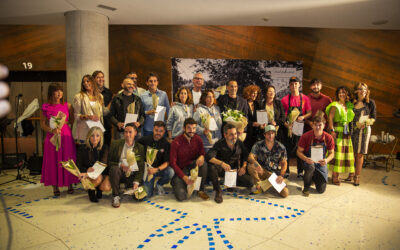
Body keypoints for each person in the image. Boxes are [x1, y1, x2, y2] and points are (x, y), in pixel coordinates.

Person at [40, 83, 78, 196]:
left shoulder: (68, 105)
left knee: (68, 159)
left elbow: (71, 120)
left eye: (61, 91)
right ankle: (54, 186)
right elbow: (42, 124)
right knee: (53, 161)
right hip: (52, 137)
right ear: (51, 93)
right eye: (56, 91)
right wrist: (52, 130)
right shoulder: (45, 106)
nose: (59, 93)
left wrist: (62, 125)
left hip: (65, 135)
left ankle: (70, 183)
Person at [206, 123, 253, 203]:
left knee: (250, 182)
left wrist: (243, 167)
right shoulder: (219, 143)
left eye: (235, 134)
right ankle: (218, 191)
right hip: (221, 170)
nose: (234, 136)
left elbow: (246, 155)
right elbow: (208, 156)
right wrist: (222, 163)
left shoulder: (239, 143)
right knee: (212, 166)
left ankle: (228, 183)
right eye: (231, 134)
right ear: (225, 135)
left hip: (233, 171)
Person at [170, 118, 209, 201]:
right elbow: (172, 163)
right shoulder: (176, 142)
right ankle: (176, 183)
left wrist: (201, 156)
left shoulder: (198, 139)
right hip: (181, 171)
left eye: (194, 128)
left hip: (193, 168)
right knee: (182, 197)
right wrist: (184, 177)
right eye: (189, 128)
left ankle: (200, 189)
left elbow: (202, 153)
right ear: (184, 128)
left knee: (204, 163)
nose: (192, 131)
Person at [108, 123, 145, 208]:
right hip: (119, 173)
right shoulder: (115, 144)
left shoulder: (140, 148)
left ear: (135, 133)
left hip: (132, 175)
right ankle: (116, 196)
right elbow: (110, 162)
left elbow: (141, 167)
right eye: (125, 132)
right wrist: (121, 165)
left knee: (138, 197)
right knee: (114, 169)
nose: (127, 135)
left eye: (130, 132)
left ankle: (129, 187)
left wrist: (136, 182)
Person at [281, 76, 312, 178]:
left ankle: (300, 171)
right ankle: (287, 170)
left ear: (299, 85)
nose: (294, 86)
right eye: (291, 84)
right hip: (288, 127)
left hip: (300, 127)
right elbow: (283, 115)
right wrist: (288, 124)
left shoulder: (305, 98)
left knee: (300, 148)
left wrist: (303, 116)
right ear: (289, 86)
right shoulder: (285, 99)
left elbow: (310, 113)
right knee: (287, 148)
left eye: (296, 84)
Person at [297, 114, 335, 196]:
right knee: (311, 166)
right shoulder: (306, 136)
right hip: (308, 162)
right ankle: (306, 186)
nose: (317, 127)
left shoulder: (328, 138)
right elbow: (299, 152)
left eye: (320, 125)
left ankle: (312, 178)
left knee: (321, 190)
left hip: (321, 163)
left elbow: (332, 153)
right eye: (315, 125)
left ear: (324, 125)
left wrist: (326, 160)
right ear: (312, 125)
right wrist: (306, 159)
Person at [247, 125, 289, 198]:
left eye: (273, 133)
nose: (271, 135)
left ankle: (266, 184)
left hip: (272, 174)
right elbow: (250, 157)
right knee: (251, 166)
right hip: (261, 171)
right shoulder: (258, 144)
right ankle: (259, 184)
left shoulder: (280, 147)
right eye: (268, 133)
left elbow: (284, 162)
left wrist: (281, 176)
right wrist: (256, 163)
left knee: (285, 193)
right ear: (264, 135)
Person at [326, 86, 355, 185]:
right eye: (340, 92)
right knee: (337, 154)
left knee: (343, 155)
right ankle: (335, 176)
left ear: (347, 94)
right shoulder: (335, 105)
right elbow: (330, 118)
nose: (342, 94)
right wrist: (332, 130)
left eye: (344, 92)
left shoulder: (349, 105)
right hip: (337, 131)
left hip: (346, 133)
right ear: (337, 94)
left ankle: (341, 175)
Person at [348, 82, 376, 186]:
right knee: (352, 153)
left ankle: (357, 177)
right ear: (356, 91)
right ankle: (351, 174)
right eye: (360, 89)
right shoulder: (351, 102)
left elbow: (373, 117)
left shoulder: (370, 103)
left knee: (359, 154)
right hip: (352, 130)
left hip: (363, 132)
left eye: (364, 89)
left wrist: (367, 122)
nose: (362, 91)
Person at [138, 121, 174, 197]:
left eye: (161, 131)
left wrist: (156, 169)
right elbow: (135, 150)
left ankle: (159, 184)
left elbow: (167, 162)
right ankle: (142, 183)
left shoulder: (166, 144)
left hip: (158, 170)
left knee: (171, 172)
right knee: (147, 194)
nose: (158, 133)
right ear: (153, 129)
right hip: (147, 171)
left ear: (164, 132)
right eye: (156, 130)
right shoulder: (144, 140)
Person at [76, 127, 111, 202]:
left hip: (101, 173)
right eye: (92, 136)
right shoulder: (82, 148)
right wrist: (86, 170)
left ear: (101, 137)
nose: (95, 138)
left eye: (97, 136)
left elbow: (103, 164)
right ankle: (91, 191)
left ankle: (98, 189)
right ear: (89, 136)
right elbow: (78, 164)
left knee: (106, 187)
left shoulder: (105, 147)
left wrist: (90, 173)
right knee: (97, 178)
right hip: (87, 174)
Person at [73, 75, 104, 144]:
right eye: (83, 82)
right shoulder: (79, 96)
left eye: (87, 81)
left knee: (96, 153)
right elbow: (76, 116)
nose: (85, 83)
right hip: (85, 130)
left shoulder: (100, 96)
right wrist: (88, 117)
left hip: (97, 129)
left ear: (93, 82)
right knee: (86, 152)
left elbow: (101, 114)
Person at [93, 70, 113, 146]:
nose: (101, 79)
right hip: (95, 124)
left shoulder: (109, 92)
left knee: (106, 147)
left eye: (102, 77)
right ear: (93, 79)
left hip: (107, 124)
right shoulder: (91, 93)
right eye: (98, 77)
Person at [243, 85, 264, 151]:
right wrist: (252, 123)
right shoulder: (243, 103)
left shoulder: (258, 104)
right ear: (248, 93)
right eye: (253, 93)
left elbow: (262, 119)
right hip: (246, 134)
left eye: (256, 93)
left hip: (257, 134)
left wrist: (263, 124)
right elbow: (241, 120)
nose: (255, 95)